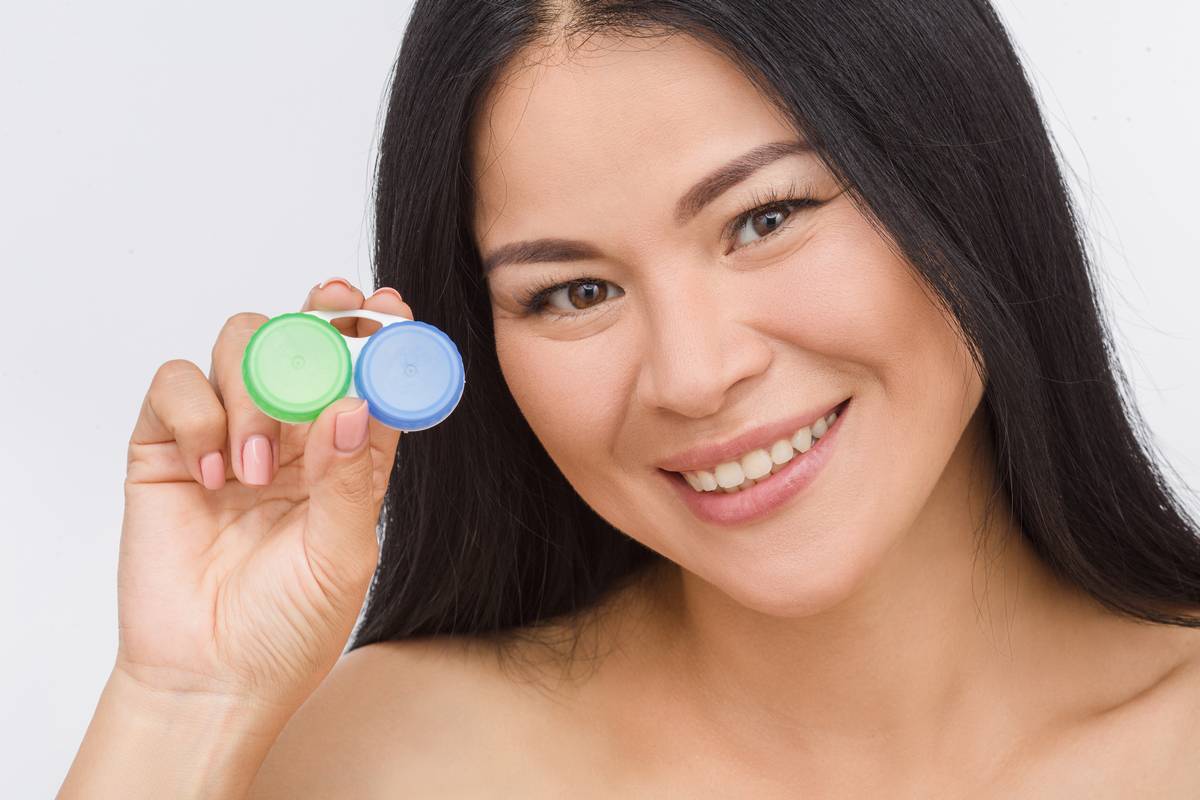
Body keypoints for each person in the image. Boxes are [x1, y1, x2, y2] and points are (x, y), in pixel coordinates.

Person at [61, 1, 1200, 796]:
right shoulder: (387, 762)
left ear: (962, 181)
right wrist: (182, 708)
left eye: (765, 217)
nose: (695, 374)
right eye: (574, 291)